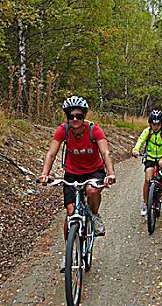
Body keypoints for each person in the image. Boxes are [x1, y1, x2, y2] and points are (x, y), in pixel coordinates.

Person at [39, 96, 116, 271]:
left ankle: (94, 215)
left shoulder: (94, 130)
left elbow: (106, 152)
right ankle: (69, 253)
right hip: (72, 173)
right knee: (71, 212)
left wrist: (110, 173)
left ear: (85, 115)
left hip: (94, 170)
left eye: (79, 115)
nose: (75, 119)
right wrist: (45, 174)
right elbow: (51, 153)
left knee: (92, 190)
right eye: (71, 116)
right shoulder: (63, 130)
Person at [132, 110, 162, 216]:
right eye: (154, 124)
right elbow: (140, 141)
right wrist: (135, 150)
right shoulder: (147, 132)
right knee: (147, 180)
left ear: (161, 124)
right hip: (149, 157)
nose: (155, 126)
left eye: (158, 124)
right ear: (150, 123)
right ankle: (145, 203)